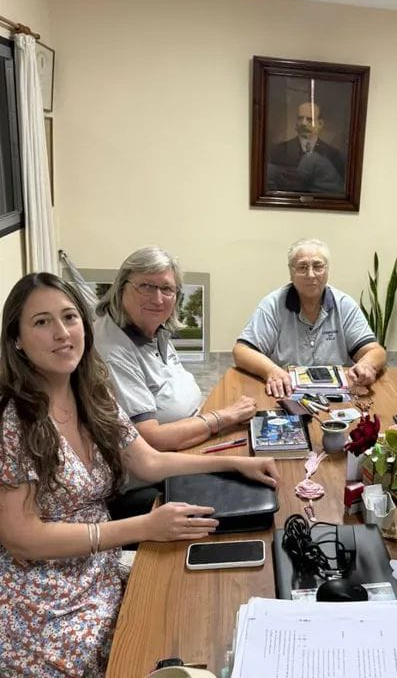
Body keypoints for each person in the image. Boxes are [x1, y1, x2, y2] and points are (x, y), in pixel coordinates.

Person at [0, 273, 279, 677]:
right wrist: (144, 527)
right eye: (42, 322)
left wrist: (233, 463)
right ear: (16, 340)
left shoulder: (91, 393)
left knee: (196, 603)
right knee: (144, 645)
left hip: (99, 564)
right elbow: (22, 538)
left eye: (69, 317)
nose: (62, 333)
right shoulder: (14, 421)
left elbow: (148, 461)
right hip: (43, 590)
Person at [95, 246, 257, 451]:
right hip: (164, 459)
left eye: (167, 289)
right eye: (146, 286)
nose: (158, 299)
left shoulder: (151, 328)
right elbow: (150, 440)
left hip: (194, 432)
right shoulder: (113, 351)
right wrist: (225, 416)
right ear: (120, 288)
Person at [233, 238, 386, 398]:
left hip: (339, 396)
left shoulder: (344, 304)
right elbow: (241, 351)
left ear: (327, 270)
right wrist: (271, 371)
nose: (311, 274)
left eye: (318, 266)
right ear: (291, 272)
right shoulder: (273, 304)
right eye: (302, 267)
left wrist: (367, 364)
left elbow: (376, 351)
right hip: (286, 393)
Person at [266, 101, 346, 194]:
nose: (303, 123)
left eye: (309, 119)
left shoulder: (334, 155)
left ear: (320, 124)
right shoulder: (278, 151)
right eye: (300, 118)